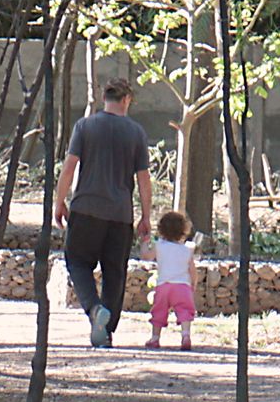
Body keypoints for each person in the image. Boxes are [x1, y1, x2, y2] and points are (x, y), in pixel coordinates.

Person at [54, 77, 152, 348]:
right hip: (120, 216)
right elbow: (144, 179)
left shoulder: (85, 126)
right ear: (126, 100)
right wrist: (146, 216)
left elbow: (69, 166)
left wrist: (59, 202)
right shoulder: (136, 133)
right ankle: (106, 332)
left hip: (85, 209)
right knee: (114, 273)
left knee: (77, 261)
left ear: (104, 99)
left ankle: (95, 310)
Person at [139, 210, 197, 351]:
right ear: (184, 230)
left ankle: (155, 338)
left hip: (163, 286)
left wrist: (145, 242)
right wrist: (193, 284)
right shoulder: (187, 250)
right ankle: (185, 335)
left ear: (161, 229)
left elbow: (146, 256)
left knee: (159, 311)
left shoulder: (159, 246)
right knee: (185, 312)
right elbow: (192, 270)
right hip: (182, 287)